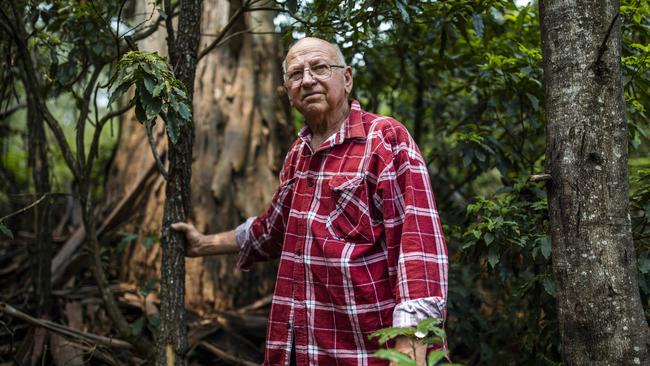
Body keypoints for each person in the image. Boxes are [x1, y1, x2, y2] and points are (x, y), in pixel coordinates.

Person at [172, 37, 448, 366]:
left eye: (319, 68)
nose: (307, 80)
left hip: (368, 352)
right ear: (288, 90)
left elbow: (418, 246)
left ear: (346, 78)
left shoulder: (385, 139)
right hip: (299, 349)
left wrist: (411, 345)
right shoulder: (298, 155)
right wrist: (203, 244)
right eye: (295, 74)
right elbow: (271, 230)